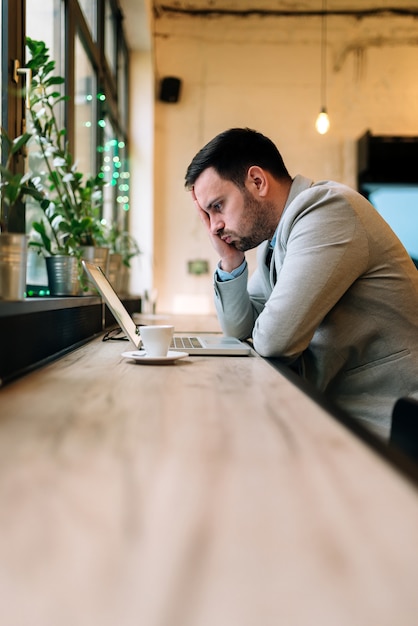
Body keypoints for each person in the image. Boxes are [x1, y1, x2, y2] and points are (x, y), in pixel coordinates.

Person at [185, 127, 418, 440]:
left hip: (389, 420)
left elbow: (273, 340)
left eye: (217, 207)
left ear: (257, 182)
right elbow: (241, 332)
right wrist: (229, 260)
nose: (215, 227)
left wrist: (263, 329)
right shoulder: (274, 241)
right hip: (336, 410)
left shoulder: (327, 209)